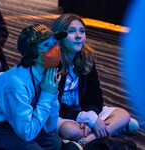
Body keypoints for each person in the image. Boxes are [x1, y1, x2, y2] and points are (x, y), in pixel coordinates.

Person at [0, 23, 83, 150]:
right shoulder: (16, 84)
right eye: (46, 45)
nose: (54, 49)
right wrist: (46, 95)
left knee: (55, 143)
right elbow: (27, 134)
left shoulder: (48, 76)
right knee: (32, 148)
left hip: (13, 118)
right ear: (32, 53)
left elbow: (48, 127)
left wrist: (52, 94)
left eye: (54, 43)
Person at [51, 13, 140, 149]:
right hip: (61, 114)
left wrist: (91, 117)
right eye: (71, 31)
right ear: (59, 36)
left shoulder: (86, 60)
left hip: (85, 112)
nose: (78, 35)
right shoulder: (52, 64)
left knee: (123, 115)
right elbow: (54, 104)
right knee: (71, 130)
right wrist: (88, 119)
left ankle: (83, 142)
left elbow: (96, 96)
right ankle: (110, 129)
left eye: (82, 31)